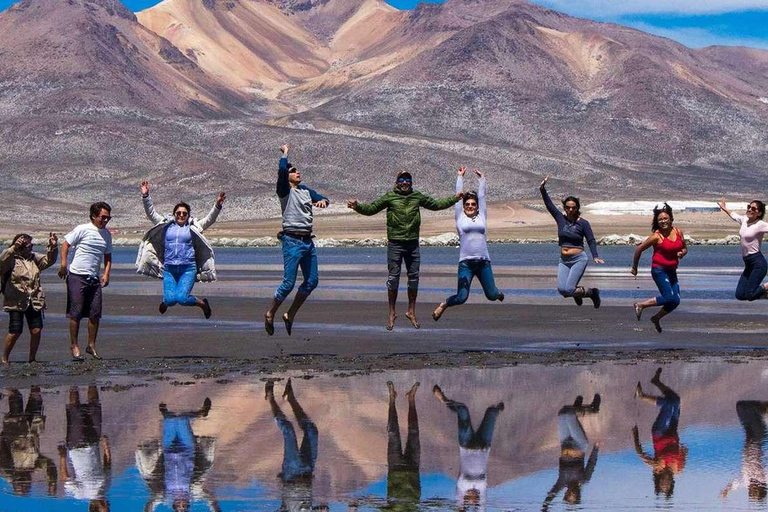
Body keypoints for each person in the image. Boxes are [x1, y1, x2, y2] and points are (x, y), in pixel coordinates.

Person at [348, 171, 462, 330]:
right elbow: (372, 209)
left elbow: (436, 205)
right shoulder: (390, 197)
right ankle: (392, 312)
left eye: (408, 180)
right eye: (401, 180)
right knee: (393, 278)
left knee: (413, 277)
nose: (405, 182)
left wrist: (455, 199)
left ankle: (411, 311)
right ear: (397, 182)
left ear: (411, 182)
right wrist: (357, 206)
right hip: (395, 243)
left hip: (412, 244)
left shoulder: (417, 196)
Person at [265, 145, 329, 336]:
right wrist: (285, 154)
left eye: (297, 170)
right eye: (293, 171)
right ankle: (270, 313)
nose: (297, 172)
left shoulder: (306, 191)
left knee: (312, 281)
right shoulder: (285, 191)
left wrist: (323, 201)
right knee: (288, 282)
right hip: (292, 241)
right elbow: (282, 170)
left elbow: (324, 198)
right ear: (287, 177)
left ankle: (290, 314)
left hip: (307, 241)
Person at [136, 181, 226, 318]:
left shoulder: (194, 227)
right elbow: (151, 213)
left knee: (182, 299)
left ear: (188, 215)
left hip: (188, 269)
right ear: (174, 214)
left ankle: (202, 304)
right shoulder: (166, 225)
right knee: (171, 300)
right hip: (169, 269)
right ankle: (167, 301)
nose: (181, 215)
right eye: (178, 213)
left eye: (184, 213)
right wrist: (146, 195)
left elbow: (209, 219)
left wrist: (218, 205)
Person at [432, 168, 503, 322]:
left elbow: (482, 197)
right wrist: (460, 177)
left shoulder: (482, 216)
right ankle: (444, 304)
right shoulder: (460, 218)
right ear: (464, 206)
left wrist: (482, 179)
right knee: (462, 297)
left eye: (473, 204)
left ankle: (498, 293)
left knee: (491, 295)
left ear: (477, 206)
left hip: (484, 262)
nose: (470, 206)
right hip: (466, 264)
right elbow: (458, 198)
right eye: (467, 204)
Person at [136, 397, 218, 512]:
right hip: (187, 449)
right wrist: (215, 508)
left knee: (169, 419)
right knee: (182, 419)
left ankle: (166, 414)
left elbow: (151, 503)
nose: (181, 504)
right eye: (184, 507)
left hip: (168, 449)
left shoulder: (165, 496)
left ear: (174, 506)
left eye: (179, 507)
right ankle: (201, 413)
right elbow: (210, 499)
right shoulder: (193, 493)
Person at [433, 384, 503, 509]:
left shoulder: (462, 486)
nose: (471, 495)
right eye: (474, 498)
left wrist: (462, 508)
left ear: (464, 496)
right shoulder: (482, 488)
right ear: (478, 498)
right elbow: (481, 507)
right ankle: (496, 409)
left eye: (468, 497)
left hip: (467, 444)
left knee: (463, 410)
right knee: (492, 411)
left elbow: (460, 505)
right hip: (484, 444)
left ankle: (444, 400)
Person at [58, 202, 113, 361]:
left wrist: (106, 274)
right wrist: (63, 265)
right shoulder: (82, 229)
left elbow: (108, 256)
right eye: (103, 217)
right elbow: (65, 244)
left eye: (108, 218)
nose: (105, 220)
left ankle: (91, 345)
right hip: (77, 275)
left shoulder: (107, 235)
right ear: (94, 216)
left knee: (95, 313)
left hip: (94, 278)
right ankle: (74, 345)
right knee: (76, 312)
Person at [539, 176, 604, 308]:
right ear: (564, 207)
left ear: (577, 208)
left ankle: (592, 293)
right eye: (568, 207)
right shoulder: (560, 219)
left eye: (573, 208)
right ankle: (578, 293)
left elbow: (590, 240)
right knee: (562, 291)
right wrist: (542, 189)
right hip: (563, 260)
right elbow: (549, 206)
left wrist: (595, 256)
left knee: (568, 290)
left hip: (578, 259)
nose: (570, 210)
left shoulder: (583, 223)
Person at [265, 379, 322, 511]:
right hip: (308, 470)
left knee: (288, 430)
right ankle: (290, 397)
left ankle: (270, 398)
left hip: (292, 473)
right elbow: (316, 508)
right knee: (312, 431)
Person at [1, 232, 58, 364]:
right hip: (16, 300)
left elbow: (48, 260)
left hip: (34, 299)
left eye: (31, 246)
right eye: (27, 246)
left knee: (36, 329)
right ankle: (4, 358)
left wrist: (53, 247)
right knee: (15, 331)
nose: (30, 249)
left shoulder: (33, 258)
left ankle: (32, 358)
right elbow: (1, 263)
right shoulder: (11, 258)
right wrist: (13, 248)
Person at [631, 204, 688, 333]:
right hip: (659, 270)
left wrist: (682, 253)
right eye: (660, 220)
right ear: (657, 222)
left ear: (671, 219)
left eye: (665, 218)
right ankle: (641, 305)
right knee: (668, 297)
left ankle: (656, 318)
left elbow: (684, 248)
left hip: (672, 270)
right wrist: (635, 267)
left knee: (676, 301)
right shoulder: (656, 236)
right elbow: (639, 249)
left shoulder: (678, 232)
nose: (663, 221)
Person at [633, 367, 687, 499]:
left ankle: (642, 396)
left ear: (659, 480)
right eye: (667, 485)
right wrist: (683, 452)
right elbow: (684, 451)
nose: (665, 481)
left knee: (668, 405)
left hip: (660, 432)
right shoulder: (679, 469)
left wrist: (635, 435)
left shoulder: (657, 466)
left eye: (662, 483)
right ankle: (656, 381)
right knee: (676, 400)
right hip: (673, 430)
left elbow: (640, 453)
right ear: (671, 484)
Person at [542, 394, 601, 510]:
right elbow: (591, 464)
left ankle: (577, 407)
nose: (572, 494)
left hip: (565, 443)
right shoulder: (583, 479)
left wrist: (545, 507)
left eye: (569, 496)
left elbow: (551, 494)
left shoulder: (561, 482)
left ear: (566, 495)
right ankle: (593, 409)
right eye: (575, 496)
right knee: (568, 414)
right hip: (579, 444)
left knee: (562, 413)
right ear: (578, 495)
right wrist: (596, 448)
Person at [58, 385, 112, 511]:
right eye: (109, 508)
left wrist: (62, 456)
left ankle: (73, 382)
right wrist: (106, 447)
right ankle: (91, 378)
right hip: (93, 441)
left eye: (106, 509)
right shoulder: (106, 487)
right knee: (94, 406)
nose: (108, 506)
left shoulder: (81, 494)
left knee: (75, 409)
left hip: (76, 446)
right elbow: (107, 465)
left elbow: (65, 479)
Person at [0, 387, 57, 496]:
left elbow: (2, 453)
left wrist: (2, 437)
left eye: (21, 486)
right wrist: (52, 482)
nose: (24, 483)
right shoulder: (35, 466)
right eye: (26, 486)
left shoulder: (7, 471)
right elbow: (49, 464)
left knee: (16, 397)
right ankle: (33, 373)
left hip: (15, 429)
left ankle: (9, 375)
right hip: (33, 428)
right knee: (36, 397)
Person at [717, 199, 768, 301]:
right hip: (748, 264)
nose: (749, 209)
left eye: (753, 208)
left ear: (759, 213)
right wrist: (724, 208)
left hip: (758, 263)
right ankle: (764, 294)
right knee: (740, 295)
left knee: (750, 295)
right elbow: (733, 215)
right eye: (748, 207)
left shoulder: (760, 224)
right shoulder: (744, 219)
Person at [721, 401, 768, 503]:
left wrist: (727, 491)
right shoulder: (764, 477)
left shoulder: (746, 480)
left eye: (751, 492)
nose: (751, 489)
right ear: (760, 489)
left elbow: (736, 484)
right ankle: (764, 409)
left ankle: (763, 410)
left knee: (740, 406)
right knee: (751, 409)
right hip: (759, 438)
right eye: (755, 491)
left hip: (749, 437)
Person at [385, 381, 421, 510]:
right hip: (413, 469)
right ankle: (411, 398)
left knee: (393, 433)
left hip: (395, 469)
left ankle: (392, 398)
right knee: (414, 431)